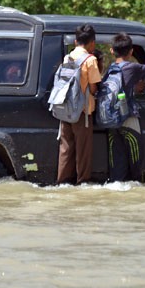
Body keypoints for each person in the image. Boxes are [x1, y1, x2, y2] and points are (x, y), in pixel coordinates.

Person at [107, 33, 145, 182]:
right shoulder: (133, 67)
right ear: (131, 52)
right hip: (128, 118)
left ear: (111, 51)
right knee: (136, 159)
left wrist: (135, 89)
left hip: (111, 119)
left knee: (117, 160)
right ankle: (137, 184)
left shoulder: (111, 69)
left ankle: (119, 185)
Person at [56, 24, 101, 185]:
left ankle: (63, 183)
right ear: (92, 43)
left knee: (65, 149)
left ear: (75, 41)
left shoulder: (67, 57)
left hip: (65, 109)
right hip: (82, 112)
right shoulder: (90, 60)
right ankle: (82, 183)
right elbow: (94, 86)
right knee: (83, 151)